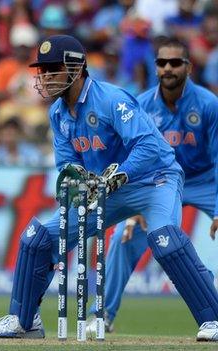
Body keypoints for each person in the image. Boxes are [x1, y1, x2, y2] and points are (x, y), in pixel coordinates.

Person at [0, 34, 218, 342]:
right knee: (36, 238)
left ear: (77, 69)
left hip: (154, 179)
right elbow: (67, 164)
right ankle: (24, 320)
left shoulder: (111, 99)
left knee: (164, 239)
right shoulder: (57, 113)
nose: (45, 76)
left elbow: (148, 145)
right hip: (104, 189)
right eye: (43, 70)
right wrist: (79, 180)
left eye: (54, 68)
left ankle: (212, 320)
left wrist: (121, 174)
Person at [86, 38, 218, 336]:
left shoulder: (209, 104)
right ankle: (104, 315)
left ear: (188, 66)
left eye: (175, 63)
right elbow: (125, 157)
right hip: (158, 181)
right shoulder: (140, 104)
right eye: (161, 63)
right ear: (154, 67)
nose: (167, 68)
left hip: (204, 181)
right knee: (123, 235)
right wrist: (133, 209)